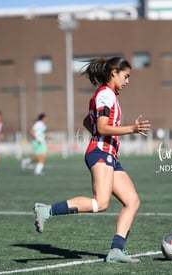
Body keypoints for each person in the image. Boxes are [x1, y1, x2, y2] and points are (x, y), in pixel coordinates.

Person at [33, 57, 151, 263]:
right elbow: (102, 126)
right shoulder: (105, 94)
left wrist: (98, 134)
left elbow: (88, 121)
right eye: (126, 76)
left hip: (109, 154)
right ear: (114, 73)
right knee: (101, 203)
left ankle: (116, 250)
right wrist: (130, 129)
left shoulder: (107, 95)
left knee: (132, 201)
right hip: (101, 153)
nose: (128, 81)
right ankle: (46, 210)